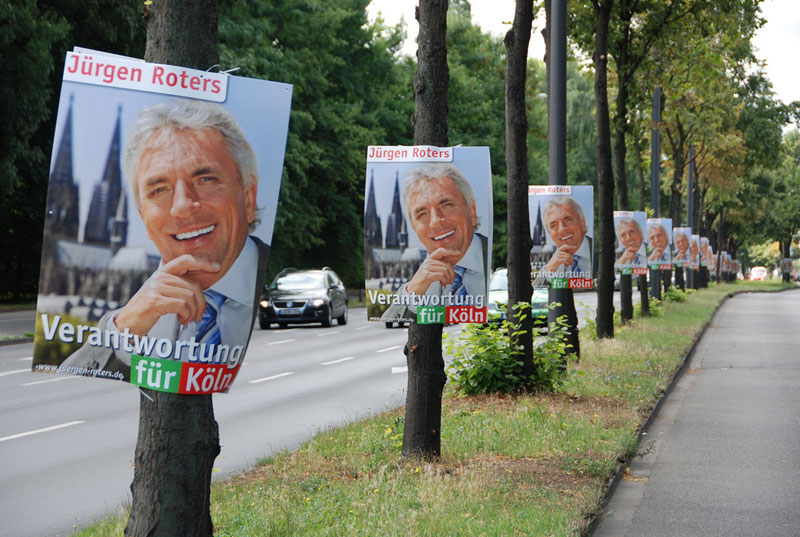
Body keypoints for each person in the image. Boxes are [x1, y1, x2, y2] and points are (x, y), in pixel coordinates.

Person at [61, 99, 269, 380]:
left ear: (248, 197)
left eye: (205, 179)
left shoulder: (275, 291)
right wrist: (119, 332)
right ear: (143, 217)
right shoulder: (132, 314)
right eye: (159, 190)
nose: (182, 206)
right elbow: (66, 388)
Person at [380, 163, 488, 322]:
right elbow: (389, 322)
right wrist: (412, 292)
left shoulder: (498, 262)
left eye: (446, 205)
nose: (435, 222)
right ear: (414, 228)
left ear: (471, 212)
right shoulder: (416, 280)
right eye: (422, 214)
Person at [537, 196, 593, 283]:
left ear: (583, 223)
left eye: (568, 220)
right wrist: (548, 269)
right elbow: (534, 287)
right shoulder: (548, 257)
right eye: (553, 225)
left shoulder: (597, 249)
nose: (562, 229)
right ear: (549, 233)